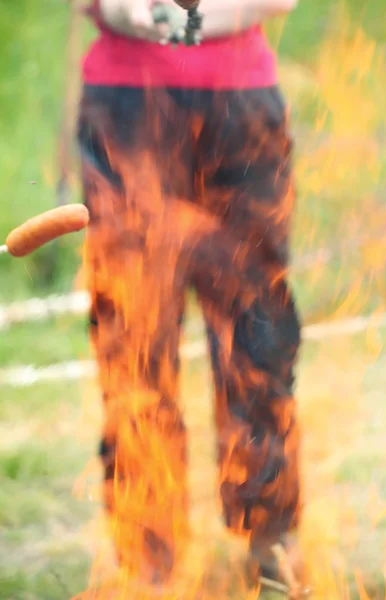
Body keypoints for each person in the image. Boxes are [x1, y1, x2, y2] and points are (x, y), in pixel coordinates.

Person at [78, 0, 305, 593]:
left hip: (240, 111)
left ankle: (269, 538)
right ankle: (147, 555)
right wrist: (130, 12)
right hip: (124, 113)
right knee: (132, 337)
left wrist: (192, 23)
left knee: (258, 333)